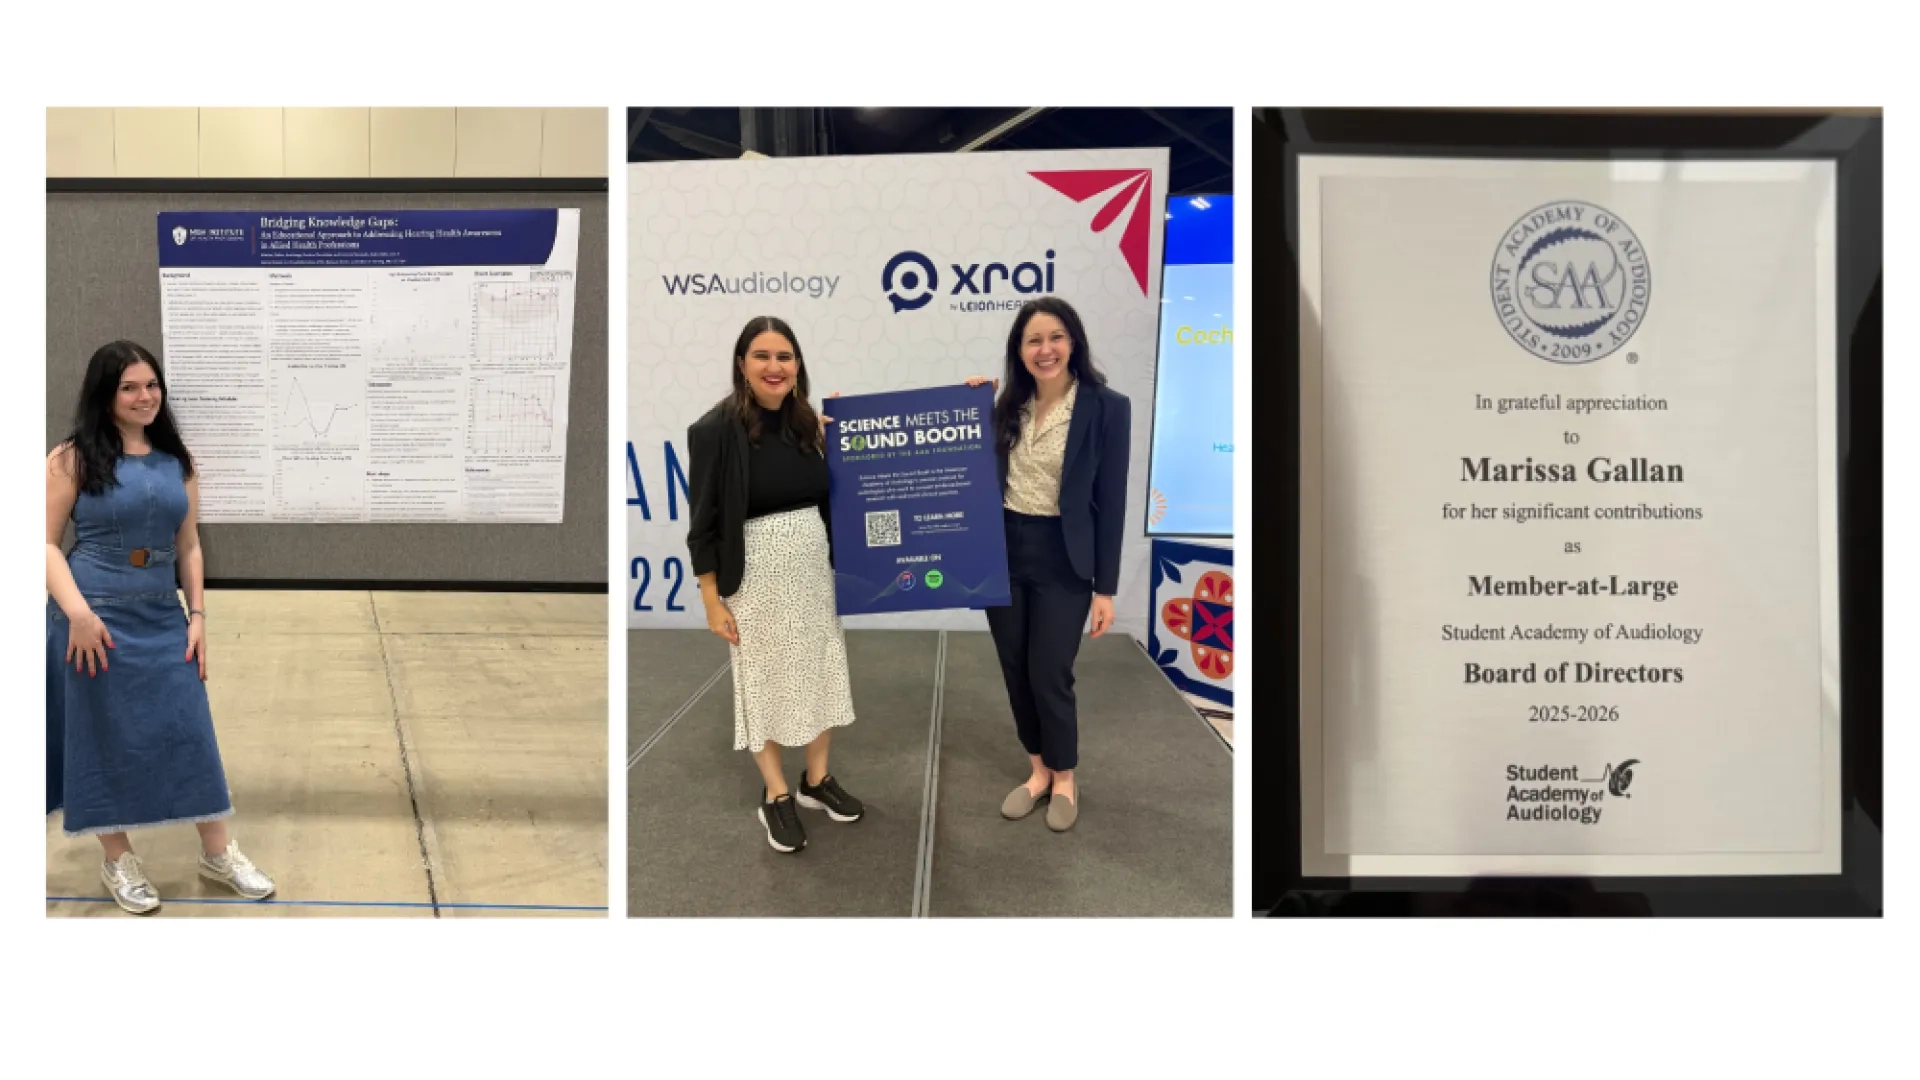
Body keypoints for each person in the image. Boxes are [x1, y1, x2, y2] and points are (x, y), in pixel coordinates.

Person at [46, 341, 275, 914]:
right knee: (99, 737)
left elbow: (189, 546)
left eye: (151, 385)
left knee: (188, 729)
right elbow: (43, 544)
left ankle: (217, 852)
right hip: (91, 616)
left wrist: (197, 616)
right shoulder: (70, 459)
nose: (145, 396)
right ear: (106, 394)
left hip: (160, 615)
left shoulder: (178, 461)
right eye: (130, 387)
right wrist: (77, 613)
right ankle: (117, 859)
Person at [686, 316, 866, 854]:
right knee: (764, 683)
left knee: (820, 671)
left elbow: (842, 494)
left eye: (784, 356)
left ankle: (816, 780)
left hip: (813, 573)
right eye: (762, 355)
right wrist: (711, 600)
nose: (774, 366)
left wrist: (972, 402)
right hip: (756, 578)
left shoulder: (812, 425)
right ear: (742, 364)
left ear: (797, 365)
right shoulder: (714, 431)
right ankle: (777, 794)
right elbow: (703, 523)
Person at [966, 297, 1131, 832]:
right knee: (1015, 667)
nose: (1046, 349)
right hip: (1003, 551)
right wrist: (964, 407)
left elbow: (1112, 503)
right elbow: (963, 470)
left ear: (1074, 341)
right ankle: (1038, 770)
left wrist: (1105, 588)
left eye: (1056, 337)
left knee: (1049, 671)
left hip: (1065, 555)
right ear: (1020, 350)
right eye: (1034, 340)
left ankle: (1065, 777)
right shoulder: (1002, 408)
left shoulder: (1108, 408)